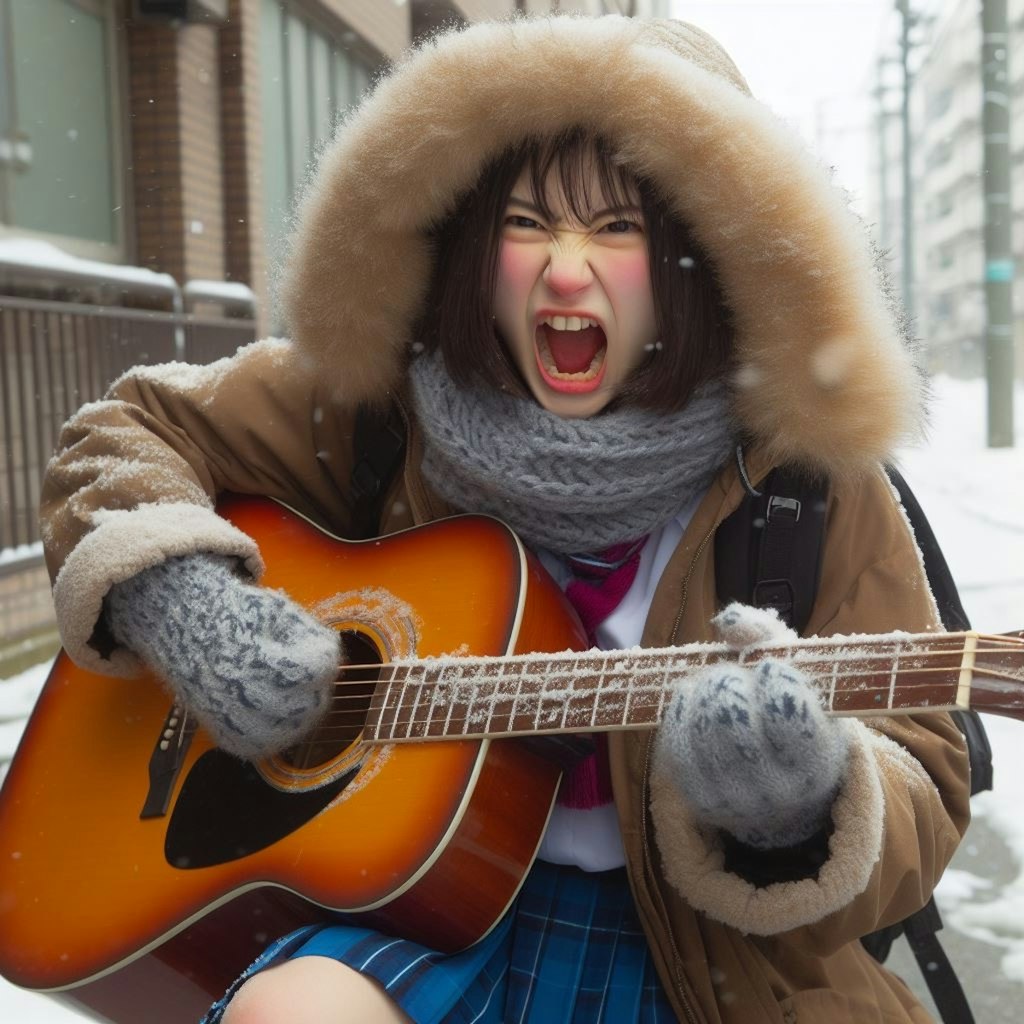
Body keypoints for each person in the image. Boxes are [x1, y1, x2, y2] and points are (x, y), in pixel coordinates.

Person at [39, 14, 970, 1024]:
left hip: (707, 961)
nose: (565, 271)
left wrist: (803, 800)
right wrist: (180, 598)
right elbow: (121, 434)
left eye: (619, 228)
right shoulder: (375, 408)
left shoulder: (808, 480)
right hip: (413, 907)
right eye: (527, 223)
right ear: (476, 248)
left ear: (700, 260)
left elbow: (922, 760)